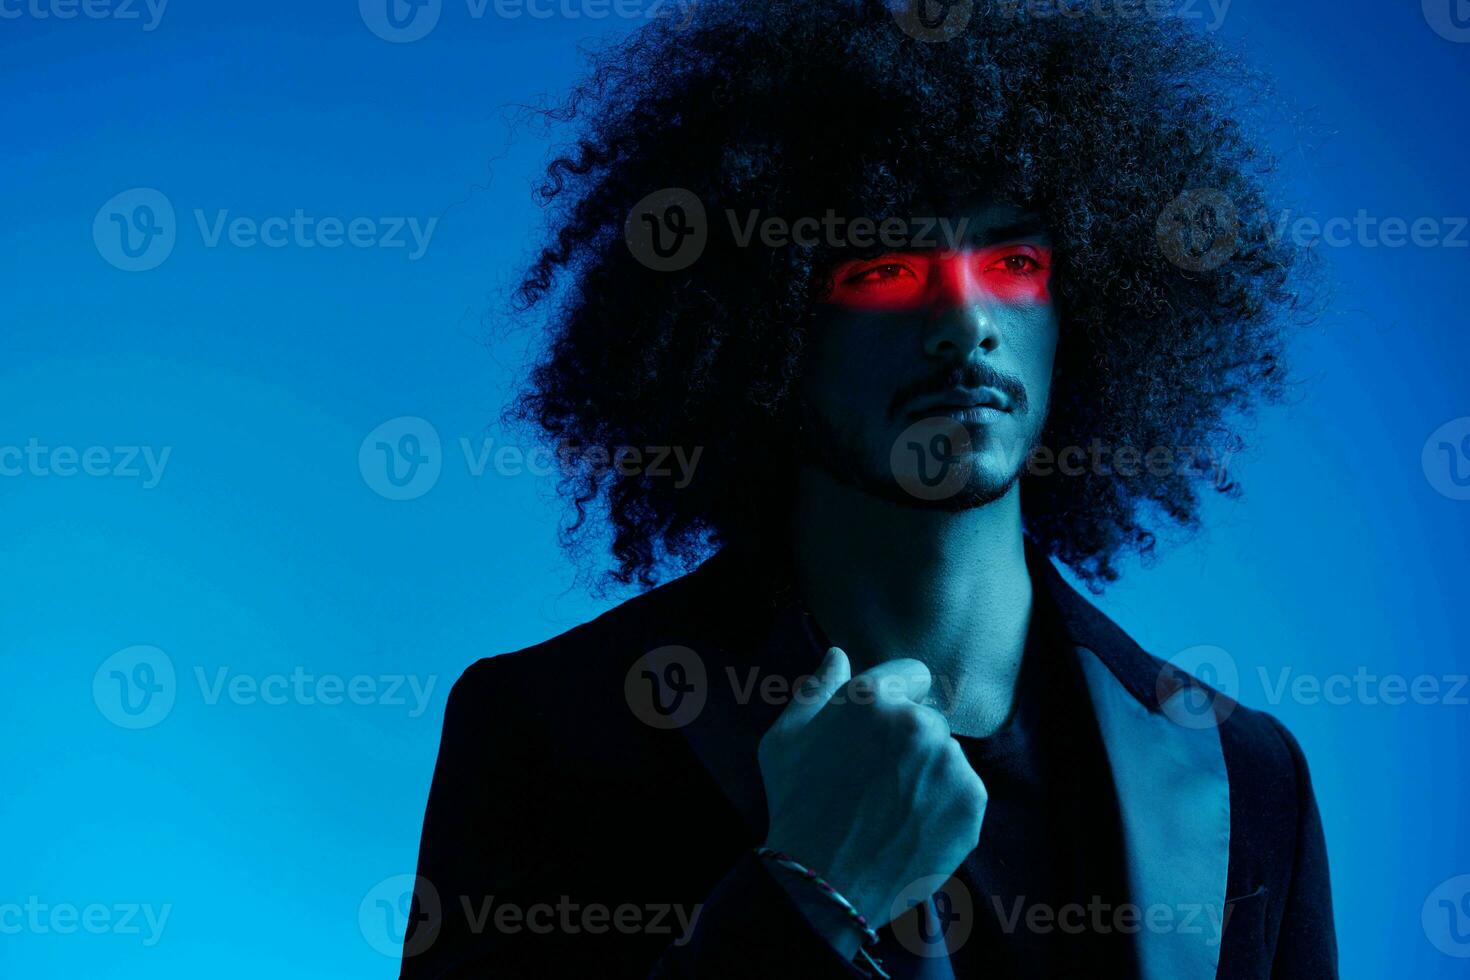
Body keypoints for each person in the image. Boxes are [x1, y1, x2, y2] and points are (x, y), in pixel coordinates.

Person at [402, 2, 1335, 976]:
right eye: (884, 268)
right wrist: (805, 890)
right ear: (759, 318)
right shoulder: (554, 732)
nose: (966, 320)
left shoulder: (1246, 775)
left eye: (1015, 261)